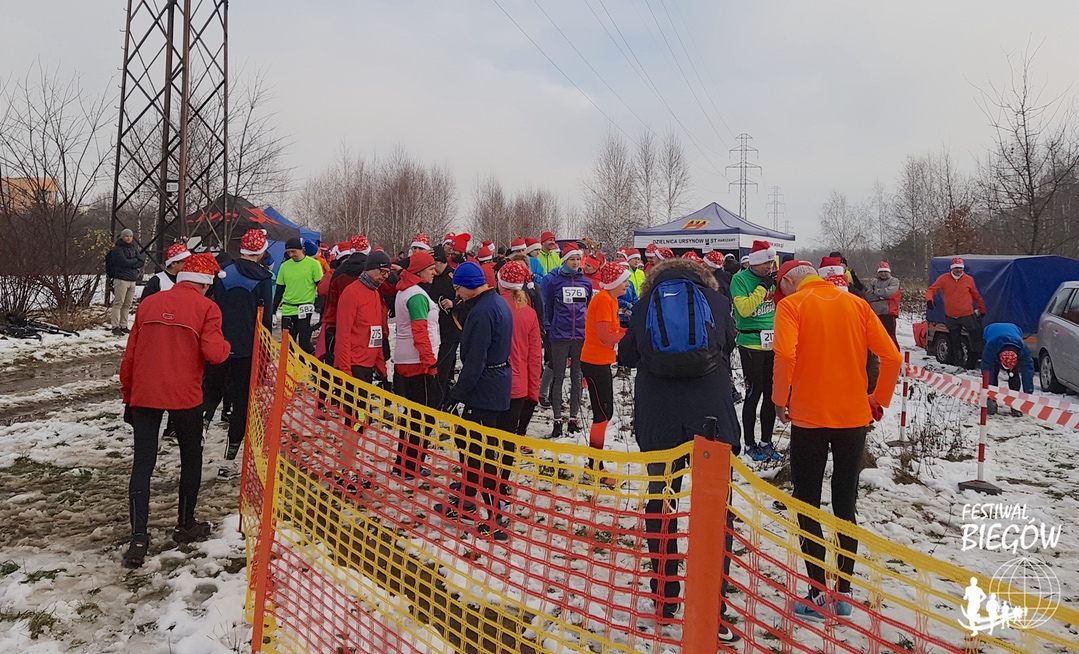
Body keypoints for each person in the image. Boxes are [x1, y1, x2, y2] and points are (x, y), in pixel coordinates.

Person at [616, 255, 740, 643]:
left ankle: (665, 595)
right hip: (711, 416)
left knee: (662, 501)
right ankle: (714, 607)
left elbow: (625, 356)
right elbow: (729, 343)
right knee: (715, 509)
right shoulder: (717, 301)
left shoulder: (643, 305)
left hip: (659, 418)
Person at [771, 260, 901, 620]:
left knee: (808, 504)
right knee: (846, 505)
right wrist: (879, 398)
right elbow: (891, 356)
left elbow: (785, 353)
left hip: (809, 418)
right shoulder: (857, 304)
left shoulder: (792, 306)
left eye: (781, 288)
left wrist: (780, 399)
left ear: (789, 281)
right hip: (853, 418)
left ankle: (816, 592)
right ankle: (843, 594)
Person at [119, 253, 231, 568]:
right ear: (206, 283)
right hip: (186, 396)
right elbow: (214, 353)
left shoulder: (149, 304)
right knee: (190, 457)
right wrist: (227, 347)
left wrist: (128, 395)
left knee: (143, 463)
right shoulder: (207, 308)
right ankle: (185, 524)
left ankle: (138, 538)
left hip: (145, 392)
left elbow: (130, 355)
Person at [444, 261, 514, 542]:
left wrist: (457, 395)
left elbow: (475, 360)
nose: (457, 293)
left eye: (458, 288)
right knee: (469, 445)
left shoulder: (482, 312)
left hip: (485, 388)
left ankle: (496, 519)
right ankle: (467, 502)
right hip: (495, 382)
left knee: (479, 452)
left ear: (469, 285)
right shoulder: (497, 302)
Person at [204, 229, 274, 479]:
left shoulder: (222, 272)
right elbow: (266, 320)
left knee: (211, 395)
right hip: (248, 350)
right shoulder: (264, 278)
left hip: (218, 345)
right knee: (242, 405)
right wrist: (265, 355)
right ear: (262, 251)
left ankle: (196, 440)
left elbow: (209, 304)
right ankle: (229, 462)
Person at [730, 240, 782, 462]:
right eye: (765, 263)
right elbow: (744, 309)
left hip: (772, 342)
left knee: (771, 394)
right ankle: (750, 443)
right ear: (754, 262)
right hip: (750, 342)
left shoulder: (773, 279)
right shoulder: (740, 280)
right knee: (754, 393)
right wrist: (762, 287)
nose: (769, 267)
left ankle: (766, 442)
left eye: (771, 263)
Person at [392, 251, 441, 477]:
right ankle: (412, 465)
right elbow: (419, 331)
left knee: (411, 414)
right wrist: (430, 361)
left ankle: (405, 462)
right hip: (418, 362)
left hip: (406, 358)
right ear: (420, 271)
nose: (434, 272)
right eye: (430, 268)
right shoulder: (417, 296)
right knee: (422, 416)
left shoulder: (405, 290)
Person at [581, 262, 630, 485]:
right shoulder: (603, 300)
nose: (627, 285)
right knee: (602, 414)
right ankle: (594, 466)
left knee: (605, 413)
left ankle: (595, 463)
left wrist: (625, 330)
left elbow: (611, 331)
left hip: (601, 362)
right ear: (613, 283)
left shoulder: (610, 299)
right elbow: (605, 336)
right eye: (624, 281)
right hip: (594, 362)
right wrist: (629, 335)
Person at [540, 241, 593, 438]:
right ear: (564, 260)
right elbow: (547, 307)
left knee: (577, 377)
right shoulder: (554, 282)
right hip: (559, 336)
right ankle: (556, 420)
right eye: (572, 259)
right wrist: (549, 327)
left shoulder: (586, 282)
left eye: (578, 259)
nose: (576, 262)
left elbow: (587, 306)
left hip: (580, 336)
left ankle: (573, 419)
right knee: (559, 376)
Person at [495, 261, 542, 438]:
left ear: (500, 282)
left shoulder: (492, 307)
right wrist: (533, 390)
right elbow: (535, 356)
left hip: (493, 382)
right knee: (509, 437)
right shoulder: (529, 313)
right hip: (519, 383)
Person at [926, 257, 986, 369]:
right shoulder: (944, 278)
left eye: (961, 268)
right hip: (951, 317)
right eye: (956, 268)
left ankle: (972, 363)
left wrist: (982, 309)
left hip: (967, 315)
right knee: (955, 341)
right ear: (952, 268)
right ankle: (958, 363)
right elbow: (931, 290)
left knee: (976, 338)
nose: (959, 270)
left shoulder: (968, 279)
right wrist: (929, 299)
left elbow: (976, 295)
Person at [320, 235, 371, 365]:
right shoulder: (371, 269)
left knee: (343, 353)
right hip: (366, 320)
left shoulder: (338, 272)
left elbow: (331, 297)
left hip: (340, 319)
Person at [273, 237, 323, 353]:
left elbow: (321, 288)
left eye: (293, 251)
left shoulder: (314, 264)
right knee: (287, 345)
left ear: (301, 250)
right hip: (288, 309)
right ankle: (289, 365)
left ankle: (314, 363)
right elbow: (279, 290)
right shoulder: (284, 266)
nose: (291, 255)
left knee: (304, 344)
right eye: (288, 252)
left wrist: (319, 307)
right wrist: (273, 311)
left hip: (305, 308)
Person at [427, 246, 462, 405]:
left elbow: (466, 298)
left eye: (436, 265)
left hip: (450, 332)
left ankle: (440, 403)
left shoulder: (452, 276)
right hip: (434, 331)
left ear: (443, 262)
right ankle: (443, 399)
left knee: (442, 369)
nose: (434, 270)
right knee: (440, 370)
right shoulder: (430, 277)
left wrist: (453, 303)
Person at [981, 322, 1034, 416]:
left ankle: (1014, 402)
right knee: (993, 371)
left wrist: (1028, 393)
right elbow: (987, 370)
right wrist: (989, 393)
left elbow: (1028, 369)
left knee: (1014, 375)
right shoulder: (991, 347)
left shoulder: (1023, 349)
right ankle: (993, 400)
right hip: (991, 331)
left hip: (1015, 330)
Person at [106, 228, 146, 335]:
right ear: (122, 237)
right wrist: (134, 262)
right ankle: (115, 326)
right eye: (126, 236)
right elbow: (124, 262)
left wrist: (131, 262)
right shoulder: (117, 249)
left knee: (127, 304)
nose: (128, 238)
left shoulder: (133, 248)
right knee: (118, 303)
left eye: (130, 236)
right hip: (121, 279)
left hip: (132, 279)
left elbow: (141, 261)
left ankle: (123, 325)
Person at [866, 261, 901, 348]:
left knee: (890, 336)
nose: (883, 274)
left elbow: (888, 293)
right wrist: (882, 297)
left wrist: (876, 293)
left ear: (889, 272)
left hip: (888, 313)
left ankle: (894, 353)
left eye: (885, 271)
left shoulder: (894, 281)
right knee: (875, 336)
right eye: (881, 272)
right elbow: (868, 295)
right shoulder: (874, 282)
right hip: (875, 313)